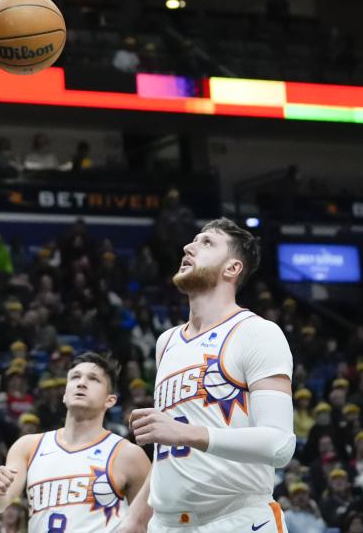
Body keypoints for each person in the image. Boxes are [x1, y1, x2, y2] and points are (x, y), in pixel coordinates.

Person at [121, 218, 296, 533]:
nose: (188, 247)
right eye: (193, 241)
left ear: (232, 268)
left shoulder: (257, 332)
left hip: (237, 520)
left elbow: (280, 444)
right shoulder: (167, 342)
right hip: (167, 524)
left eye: (207, 243)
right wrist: (135, 519)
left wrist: (186, 433)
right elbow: (169, 450)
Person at [0, 352, 151, 531]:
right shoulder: (28, 446)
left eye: (94, 379)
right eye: (75, 377)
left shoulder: (129, 454)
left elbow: (148, 524)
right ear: (64, 394)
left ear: (110, 400)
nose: (82, 383)